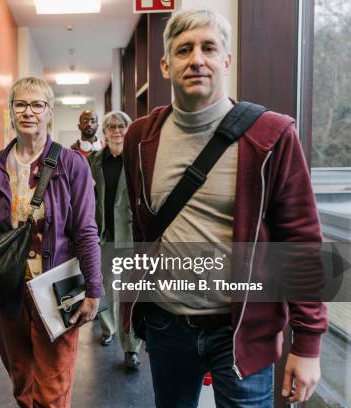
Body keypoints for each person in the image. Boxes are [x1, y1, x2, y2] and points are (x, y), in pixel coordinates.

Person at [123, 9, 328, 407]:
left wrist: (308, 343)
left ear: (226, 60)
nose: (196, 59)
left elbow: (301, 243)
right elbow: (143, 229)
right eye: (184, 50)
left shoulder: (270, 136)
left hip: (241, 330)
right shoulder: (140, 138)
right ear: (166, 65)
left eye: (208, 48)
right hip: (167, 326)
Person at [0, 77, 104, 408]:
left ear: (49, 113)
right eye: (20, 104)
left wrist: (94, 289)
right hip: (6, 291)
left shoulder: (73, 164)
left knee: (53, 388)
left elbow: (86, 229)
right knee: (22, 381)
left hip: (60, 288)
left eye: (37, 104)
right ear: (11, 112)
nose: (28, 111)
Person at [87, 111, 143, 368]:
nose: (116, 130)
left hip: (130, 234)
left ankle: (131, 347)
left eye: (121, 126)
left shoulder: (137, 159)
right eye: (111, 126)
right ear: (105, 131)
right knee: (107, 289)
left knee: (130, 294)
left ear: (128, 129)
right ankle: (108, 330)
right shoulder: (95, 160)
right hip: (103, 235)